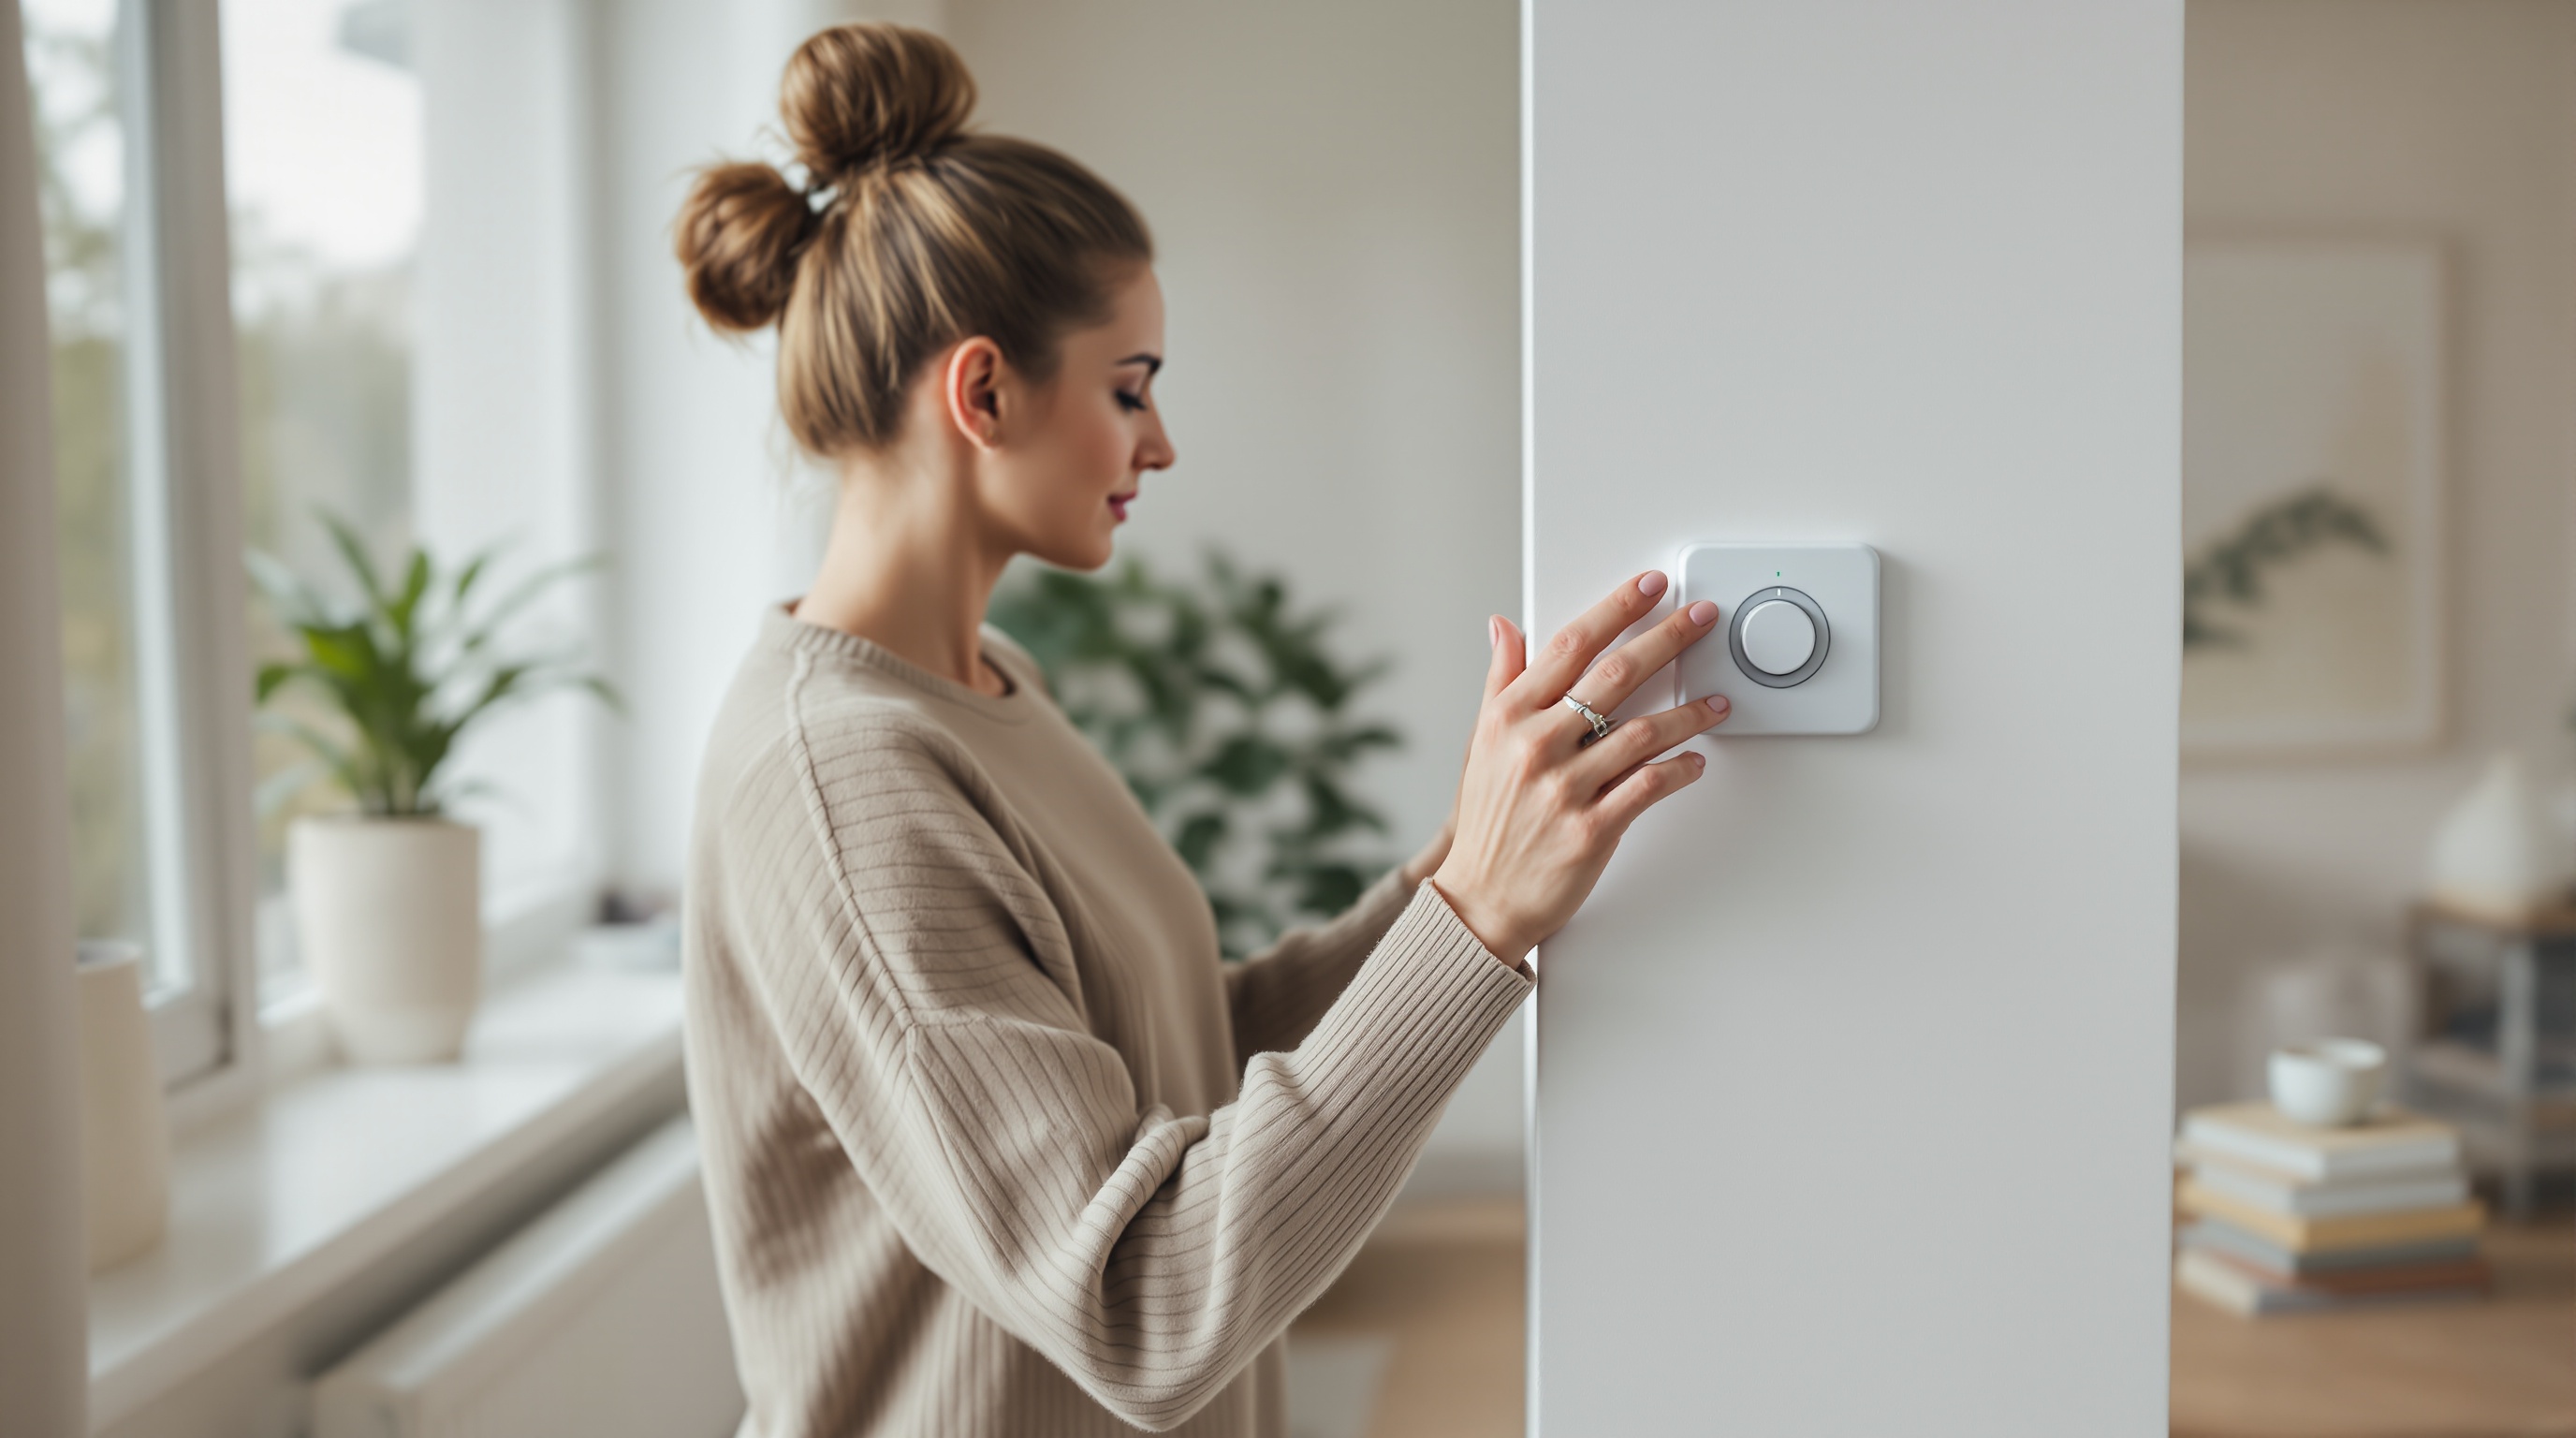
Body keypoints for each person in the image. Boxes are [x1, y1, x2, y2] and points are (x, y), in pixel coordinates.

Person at [673, 23, 1732, 1437]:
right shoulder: (840, 776)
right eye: (1130, 387)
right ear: (983, 393)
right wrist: (1472, 916)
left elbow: (1182, 1051)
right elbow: (1139, 1307)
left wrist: (1469, 872)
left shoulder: (984, 692)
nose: (1158, 443)